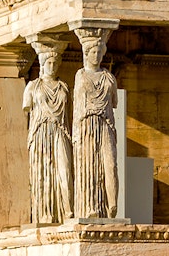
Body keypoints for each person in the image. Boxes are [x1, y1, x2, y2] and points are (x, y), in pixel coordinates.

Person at [23, 49, 73, 224]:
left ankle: (67, 211)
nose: (52, 66)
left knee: (64, 171)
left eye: (54, 63)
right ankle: (45, 213)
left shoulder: (64, 87)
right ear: (42, 64)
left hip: (60, 131)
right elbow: (27, 107)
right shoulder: (32, 86)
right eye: (48, 63)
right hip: (41, 132)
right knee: (43, 172)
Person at [73, 34, 118, 219]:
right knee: (89, 165)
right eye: (93, 51)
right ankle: (90, 209)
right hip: (86, 124)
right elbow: (77, 104)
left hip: (105, 123)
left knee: (110, 164)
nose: (96, 55)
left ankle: (112, 205)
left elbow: (114, 102)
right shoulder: (81, 75)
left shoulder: (109, 78)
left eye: (100, 52)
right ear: (86, 52)